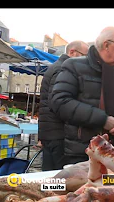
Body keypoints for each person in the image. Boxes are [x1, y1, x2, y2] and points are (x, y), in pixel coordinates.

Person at [49, 26, 114, 164]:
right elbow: (59, 101)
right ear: (106, 45)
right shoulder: (74, 66)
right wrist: (103, 120)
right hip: (82, 154)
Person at [38, 40, 89, 171]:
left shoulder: (56, 67)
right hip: (59, 134)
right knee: (60, 179)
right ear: (72, 52)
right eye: (84, 55)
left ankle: (49, 191)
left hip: (51, 132)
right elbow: (59, 103)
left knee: (50, 178)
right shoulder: (64, 69)